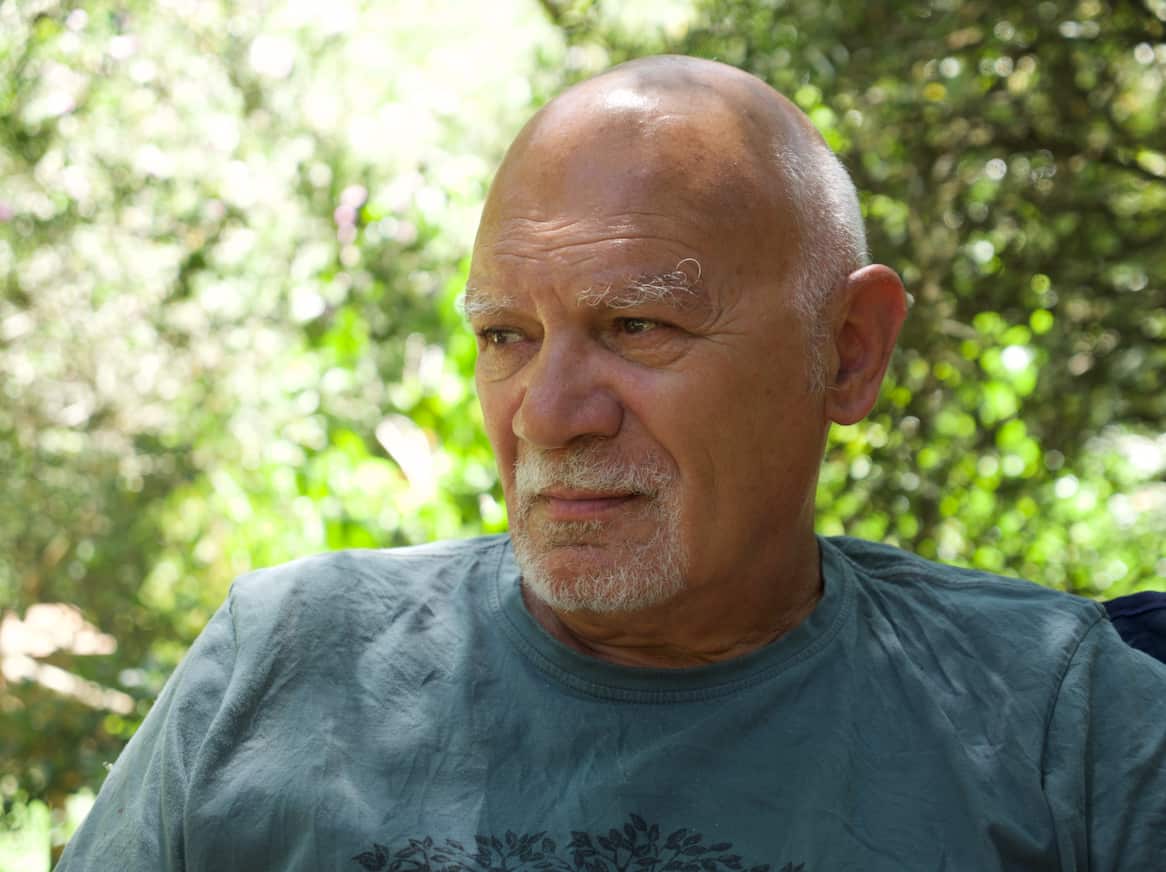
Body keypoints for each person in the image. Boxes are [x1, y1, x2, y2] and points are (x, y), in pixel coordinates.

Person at [57, 55, 1166, 872]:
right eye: (505, 336)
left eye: (638, 325)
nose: (546, 414)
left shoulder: (1058, 721)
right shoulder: (281, 662)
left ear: (847, 351)